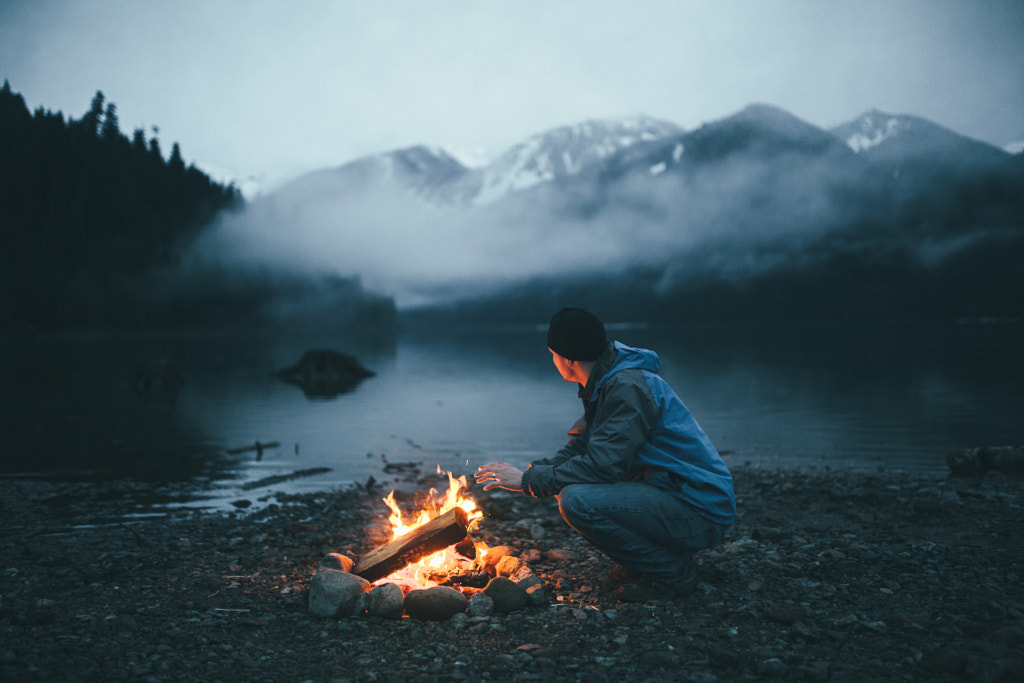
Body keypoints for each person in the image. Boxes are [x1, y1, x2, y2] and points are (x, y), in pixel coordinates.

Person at [474, 307, 735, 602]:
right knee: (567, 486)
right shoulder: (606, 379)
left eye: (553, 353)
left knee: (577, 500)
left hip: (700, 511)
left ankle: (670, 571)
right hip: (676, 495)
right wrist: (533, 471)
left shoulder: (625, 387)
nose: (553, 360)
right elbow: (585, 446)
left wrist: (528, 481)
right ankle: (652, 562)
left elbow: (601, 466)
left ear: (568, 358)